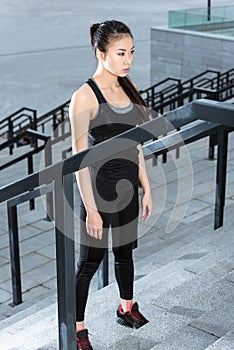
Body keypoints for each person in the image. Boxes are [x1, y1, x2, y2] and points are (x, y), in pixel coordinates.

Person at [69, 20, 153, 350]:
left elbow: (136, 145)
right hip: (99, 193)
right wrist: (91, 209)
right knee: (89, 264)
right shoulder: (84, 96)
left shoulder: (127, 87)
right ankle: (77, 328)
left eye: (131, 52)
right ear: (101, 53)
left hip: (129, 189)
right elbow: (78, 161)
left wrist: (147, 188)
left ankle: (126, 307)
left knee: (125, 253)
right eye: (120, 53)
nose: (127, 59)